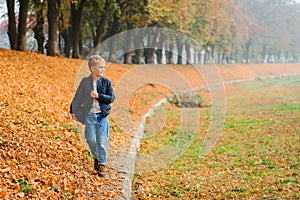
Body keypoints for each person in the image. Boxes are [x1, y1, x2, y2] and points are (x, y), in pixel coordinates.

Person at [70, 55, 115, 177]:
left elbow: (111, 98)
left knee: (102, 141)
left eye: (104, 67)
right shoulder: (85, 82)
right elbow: (78, 97)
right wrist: (73, 111)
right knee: (90, 139)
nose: (103, 69)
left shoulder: (106, 82)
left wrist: (98, 95)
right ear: (92, 68)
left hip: (102, 117)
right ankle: (97, 156)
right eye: (100, 67)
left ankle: (102, 165)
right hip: (89, 116)